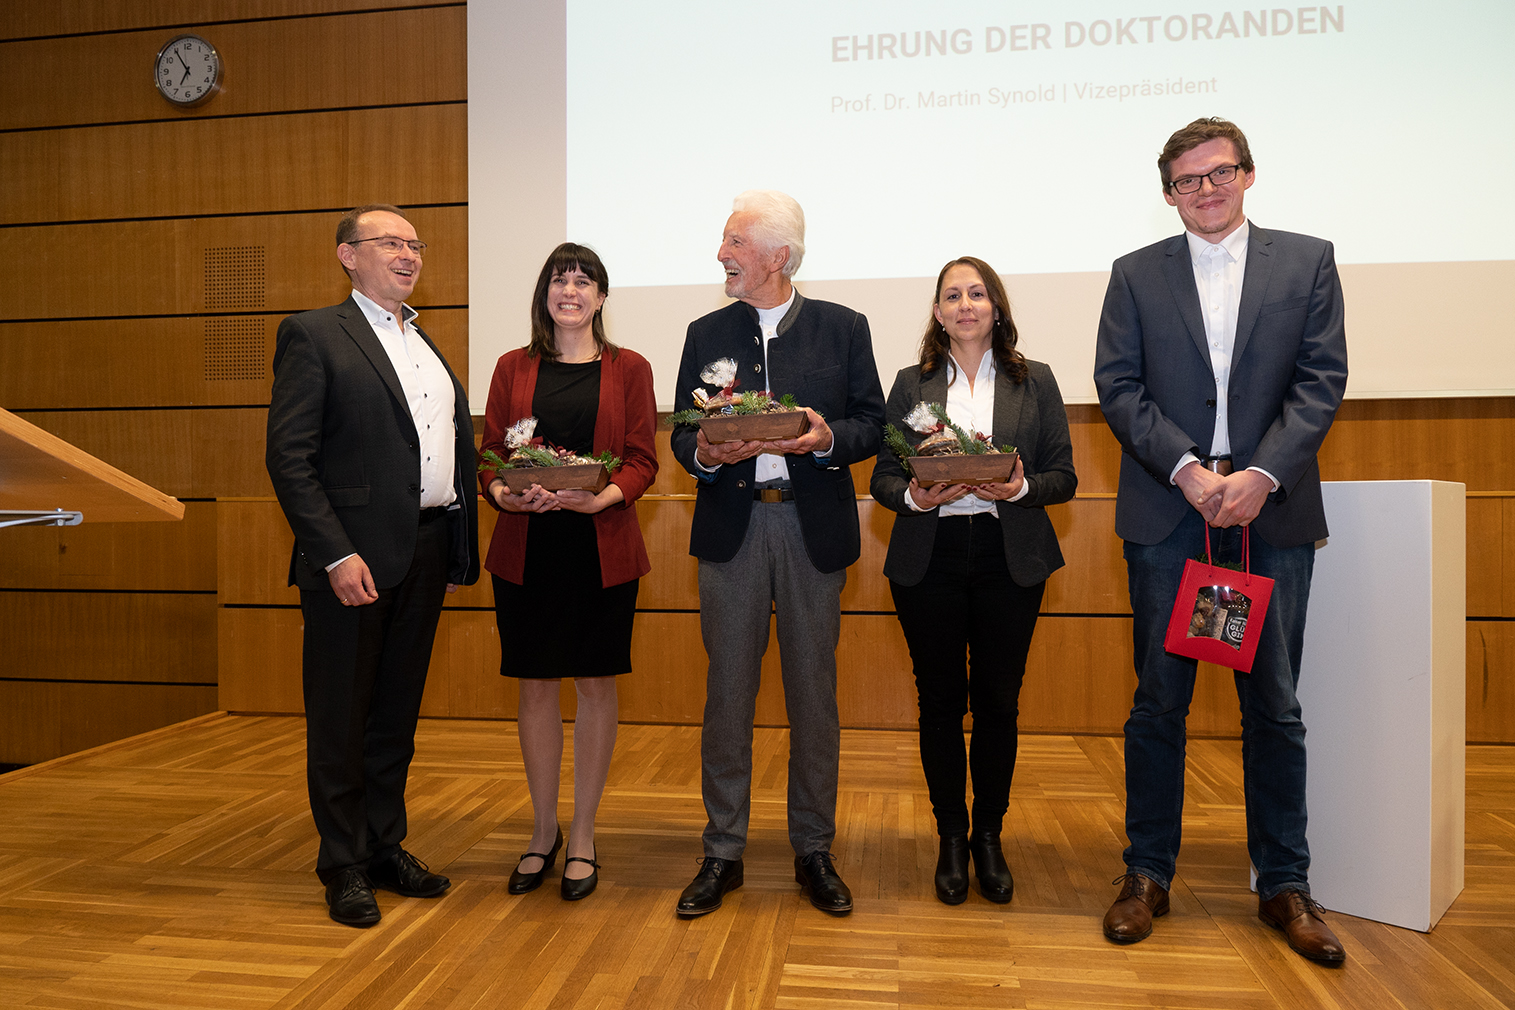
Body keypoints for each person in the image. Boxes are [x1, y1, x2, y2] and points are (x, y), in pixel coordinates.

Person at [1093, 118, 1349, 963]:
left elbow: (1320, 379)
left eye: (1218, 173)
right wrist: (1188, 471)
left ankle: (1282, 882)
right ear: (1166, 193)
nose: (1204, 191)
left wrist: (1258, 475)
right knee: (1156, 705)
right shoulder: (1134, 274)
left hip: (1267, 513)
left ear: (1247, 174)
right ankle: (1145, 875)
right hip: (1173, 512)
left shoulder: (1307, 260)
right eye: (1185, 181)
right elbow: (1117, 386)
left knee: (1273, 707)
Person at [669, 190, 885, 917]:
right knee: (726, 694)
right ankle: (721, 850)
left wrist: (825, 440)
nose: (722, 255)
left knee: (811, 697)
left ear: (776, 256)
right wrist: (700, 446)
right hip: (732, 532)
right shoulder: (705, 332)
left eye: (734, 243)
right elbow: (680, 433)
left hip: (808, 528)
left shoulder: (841, 328)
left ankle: (812, 849)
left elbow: (872, 425)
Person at [266, 204, 479, 927]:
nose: (408, 253)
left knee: (393, 715)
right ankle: (342, 863)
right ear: (346, 255)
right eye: (390, 241)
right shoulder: (315, 334)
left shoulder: (422, 341)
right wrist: (334, 551)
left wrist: (458, 537)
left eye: (415, 243)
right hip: (350, 562)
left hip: (423, 550)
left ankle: (385, 843)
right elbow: (289, 460)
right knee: (340, 716)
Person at [870, 257, 1076, 905]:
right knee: (938, 701)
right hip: (928, 558)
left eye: (977, 293)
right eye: (952, 295)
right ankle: (950, 837)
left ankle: (988, 834)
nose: (965, 304)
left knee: (997, 701)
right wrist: (916, 499)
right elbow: (881, 479)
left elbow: (1062, 478)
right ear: (936, 312)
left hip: (1006, 556)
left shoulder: (1033, 382)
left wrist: (1018, 487)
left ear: (996, 307)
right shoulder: (911, 384)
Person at [478, 243, 658, 901]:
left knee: (594, 684)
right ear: (544, 295)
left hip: (599, 545)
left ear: (602, 297)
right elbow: (492, 452)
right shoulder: (511, 368)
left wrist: (600, 496)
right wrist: (503, 494)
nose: (571, 291)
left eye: (584, 281)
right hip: (527, 547)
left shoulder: (630, 368)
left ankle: (582, 835)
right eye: (559, 280)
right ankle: (541, 830)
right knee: (532, 686)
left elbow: (641, 457)